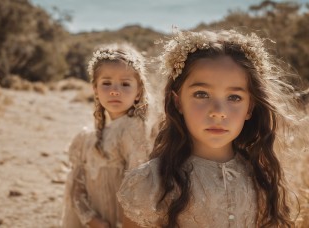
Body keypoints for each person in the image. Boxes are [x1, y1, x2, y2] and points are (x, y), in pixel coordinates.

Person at [117, 30, 296, 227]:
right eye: (201, 94)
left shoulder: (262, 178)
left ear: (250, 108)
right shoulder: (150, 183)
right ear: (177, 102)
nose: (218, 112)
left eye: (234, 97)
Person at [62, 43, 153, 228]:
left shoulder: (134, 130)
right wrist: (91, 220)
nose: (114, 90)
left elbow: (138, 189)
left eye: (125, 84)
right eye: (106, 83)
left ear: (138, 92)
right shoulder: (86, 137)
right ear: (95, 89)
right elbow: (76, 186)